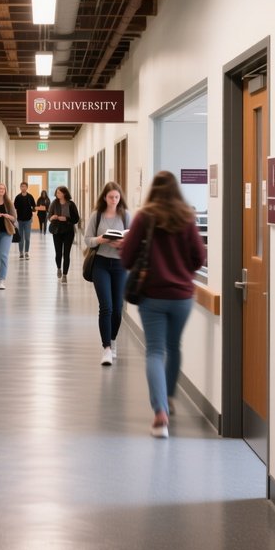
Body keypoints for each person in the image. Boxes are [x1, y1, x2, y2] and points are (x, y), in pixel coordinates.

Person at [121, 171, 205, 438]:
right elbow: (199, 257)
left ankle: (160, 413)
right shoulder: (186, 216)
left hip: (151, 296)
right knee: (173, 346)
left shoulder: (145, 217)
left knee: (155, 351)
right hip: (181, 297)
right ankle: (168, 398)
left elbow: (127, 258)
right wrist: (181, 273)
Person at [84, 182, 131, 366]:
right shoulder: (97, 216)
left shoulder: (126, 216)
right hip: (101, 264)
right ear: (104, 197)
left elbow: (135, 240)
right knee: (106, 306)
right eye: (110, 197)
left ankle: (112, 340)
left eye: (117, 197)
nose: (113, 200)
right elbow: (88, 240)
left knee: (118, 309)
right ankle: (106, 349)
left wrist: (123, 243)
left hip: (120, 265)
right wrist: (101, 239)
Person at [48, 185, 79, 284]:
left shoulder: (71, 204)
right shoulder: (54, 203)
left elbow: (76, 219)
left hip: (68, 231)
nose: (57, 194)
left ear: (64, 193)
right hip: (57, 230)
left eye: (59, 193)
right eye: (57, 193)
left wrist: (66, 219)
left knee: (66, 253)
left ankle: (65, 274)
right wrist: (52, 217)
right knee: (58, 252)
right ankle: (58, 268)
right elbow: (49, 216)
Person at [13, 181, 36, 259]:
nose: (23, 188)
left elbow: (34, 206)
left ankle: (26, 252)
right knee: (20, 237)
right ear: (20, 187)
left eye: (25, 186)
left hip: (28, 220)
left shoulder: (30, 197)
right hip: (19, 220)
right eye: (22, 186)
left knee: (27, 237)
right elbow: (15, 207)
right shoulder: (17, 197)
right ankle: (21, 252)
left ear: (27, 187)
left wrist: (33, 209)